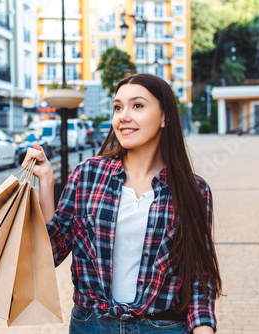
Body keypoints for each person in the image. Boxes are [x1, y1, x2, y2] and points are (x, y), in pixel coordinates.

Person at [22, 73, 222, 334]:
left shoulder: (193, 190)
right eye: (118, 107)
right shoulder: (88, 175)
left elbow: (199, 275)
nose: (123, 116)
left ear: (165, 117)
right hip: (92, 325)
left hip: (162, 326)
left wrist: (203, 328)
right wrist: (46, 182)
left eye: (137, 106)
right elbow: (51, 252)